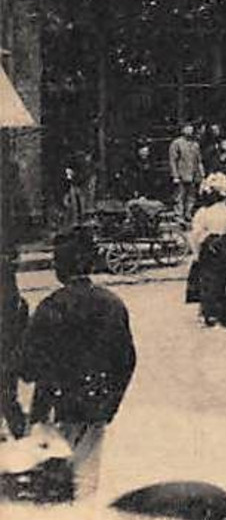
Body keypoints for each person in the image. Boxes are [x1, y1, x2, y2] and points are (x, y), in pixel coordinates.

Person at [18, 229, 138, 500]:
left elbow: (29, 364)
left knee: (48, 477)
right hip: (96, 402)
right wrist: (111, 399)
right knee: (86, 475)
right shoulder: (111, 303)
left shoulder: (51, 307)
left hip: (53, 404)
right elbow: (126, 359)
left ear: (60, 267)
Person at [187, 174, 226, 327]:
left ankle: (209, 313)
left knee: (209, 281)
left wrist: (196, 252)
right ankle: (224, 311)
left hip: (208, 247)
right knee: (225, 279)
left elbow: (196, 234)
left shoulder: (202, 213)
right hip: (225, 245)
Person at [1, 250, 29, 439]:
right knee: (9, 399)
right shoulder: (20, 304)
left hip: (7, 357)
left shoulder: (19, 305)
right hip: (10, 358)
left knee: (8, 400)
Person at [167, 124, 204, 220]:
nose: (190, 130)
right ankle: (178, 214)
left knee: (191, 195)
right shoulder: (176, 143)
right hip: (181, 173)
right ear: (183, 130)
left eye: (191, 129)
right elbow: (172, 160)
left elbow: (199, 160)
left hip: (193, 174)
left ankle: (188, 213)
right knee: (180, 195)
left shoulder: (195, 144)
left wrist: (202, 174)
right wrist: (175, 175)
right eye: (187, 128)